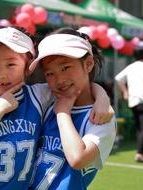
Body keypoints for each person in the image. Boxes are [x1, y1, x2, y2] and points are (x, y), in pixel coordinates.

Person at [0, 27, 113, 190]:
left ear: (27, 68)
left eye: (11, 64)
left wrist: (102, 97)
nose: (1, 74)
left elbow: (77, 86)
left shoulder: (39, 97)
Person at [28, 28, 116, 189]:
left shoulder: (102, 117)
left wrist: (62, 113)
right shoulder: (49, 97)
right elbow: (11, 91)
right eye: (50, 73)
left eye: (66, 68)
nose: (59, 79)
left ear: (88, 63)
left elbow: (77, 158)